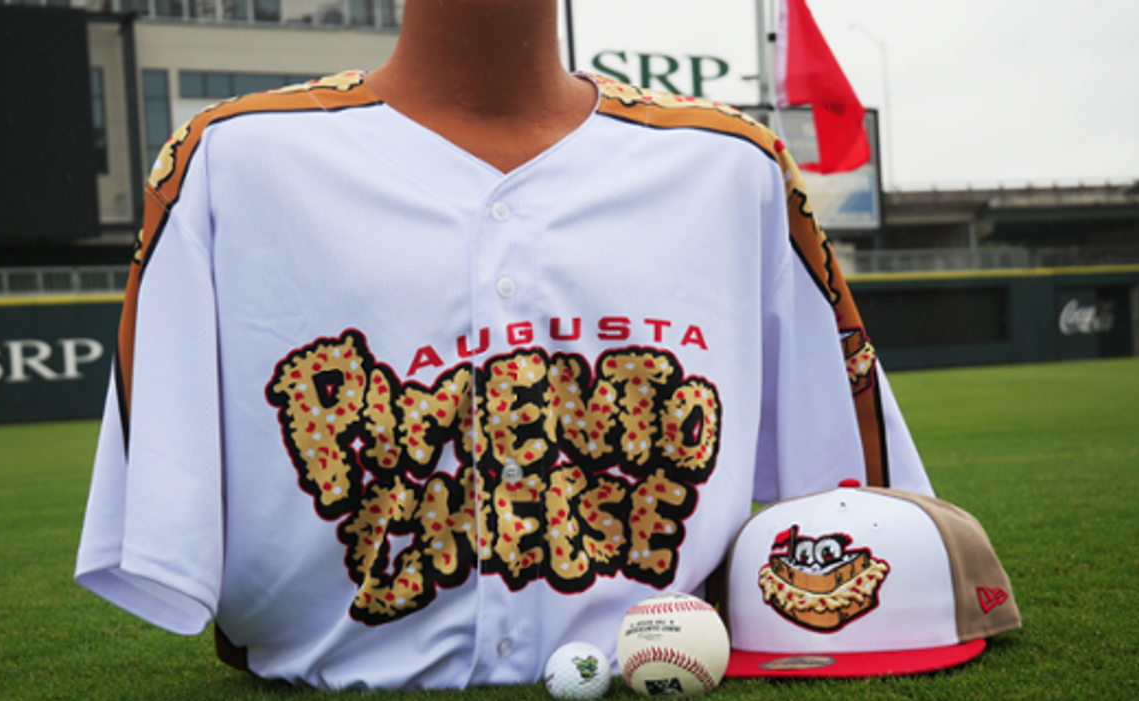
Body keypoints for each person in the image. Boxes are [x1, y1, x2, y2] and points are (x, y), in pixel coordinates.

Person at [75, 0, 933, 690]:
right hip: (329, 663)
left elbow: (849, 509)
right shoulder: (232, 157)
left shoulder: (728, 162)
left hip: (658, 660)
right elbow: (165, 497)